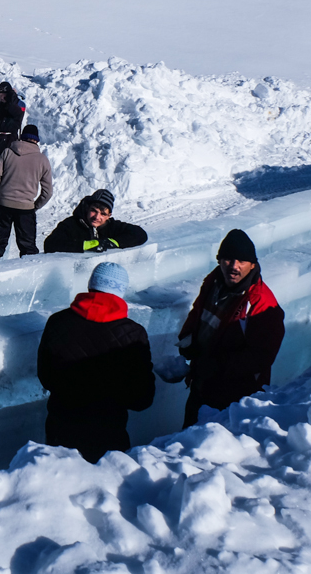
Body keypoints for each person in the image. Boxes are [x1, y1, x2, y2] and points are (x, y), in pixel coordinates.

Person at [37, 263, 155, 462]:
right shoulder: (133, 334)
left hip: (61, 429)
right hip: (108, 436)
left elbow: (46, 377)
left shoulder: (58, 321)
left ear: (91, 286)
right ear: (120, 292)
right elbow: (142, 398)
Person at [176, 229, 285, 428]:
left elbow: (262, 356)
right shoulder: (214, 281)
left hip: (234, 397)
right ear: (219, 260)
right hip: (201, 383)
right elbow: (198, 312)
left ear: (253, 264)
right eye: (228, 259)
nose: (234, 266)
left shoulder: (261, 303)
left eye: (241, 261)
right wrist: (187, 340)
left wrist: (217, 366)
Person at [0, 124, 53, 263]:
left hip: (3, 205)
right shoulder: (42, 160)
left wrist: (3, 191)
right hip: (26, 210)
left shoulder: (8, 152)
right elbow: (48, 192)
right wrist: (34, 205)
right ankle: (29, 277)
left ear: (22, 137)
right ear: (36, 140)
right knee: (27, 247)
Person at [44, 188, 147, 254]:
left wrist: (112, 242)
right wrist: (88, 245)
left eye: (103, 214)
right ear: (87, 208)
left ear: (109, 216)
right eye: (94, 211)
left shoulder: (111, 226)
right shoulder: (71, 224)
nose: (97, 217)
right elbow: (50, 244)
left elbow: (140, 234)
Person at [0, 81, 25, 156]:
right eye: (0, 95)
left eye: (3, 95)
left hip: (9, 139)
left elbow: (16, 112)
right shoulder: (1, 104)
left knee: (9, 163)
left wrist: (10, 99)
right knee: (0, 163)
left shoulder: (18, 104)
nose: (1, 97)